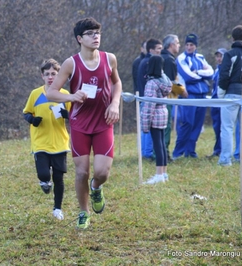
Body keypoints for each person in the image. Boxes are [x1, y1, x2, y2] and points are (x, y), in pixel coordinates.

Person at [46, 17, 122, 229]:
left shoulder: (110, 59)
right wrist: (71, 97)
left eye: (97, 32)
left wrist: (115, 104)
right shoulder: (72, 63)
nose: (95, 36)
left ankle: (96, 188)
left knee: (101, 173)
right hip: (80, 124)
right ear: (80, 38)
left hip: (103, 122)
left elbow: (117, 82)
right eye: (90, 33)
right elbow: (51, 92)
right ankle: (83, 212)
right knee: (81, 172)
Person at [22, 58, 71, 220]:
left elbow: (76, 117)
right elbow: (26, 112)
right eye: (47, 74)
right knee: (44, 174)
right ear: (42, 76)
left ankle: (57, 209)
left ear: (59, 76)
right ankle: (44, 182)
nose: (51, 77)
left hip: (59, 142)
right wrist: (32, 120)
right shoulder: (35, 94)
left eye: (54, 74)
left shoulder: (65, 95)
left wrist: (67, 115)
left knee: (59, 178)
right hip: (40, 142)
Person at [172, 33, 213, 160]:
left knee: (197, 124)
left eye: (192, 45)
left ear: (196, 46)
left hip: (202, 95)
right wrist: (202, 75)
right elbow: (188, 76)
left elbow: (211, 72)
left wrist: (199, 72)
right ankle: (178, 152)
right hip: (189, 95)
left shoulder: (200, 57)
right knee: (187, 123)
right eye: (187, 45)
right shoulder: (181, 58)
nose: (189, 47)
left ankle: (190, 151)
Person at [217, 25, 242, 166]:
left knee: (227, 127)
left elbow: (224, 75)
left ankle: (225, 160)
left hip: (231, 94)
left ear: (233, 38)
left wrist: (221, 92)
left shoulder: (230, 54)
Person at [141, 55, 172, 184]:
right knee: (162, 145)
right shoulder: (165, 80)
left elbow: (149, 106)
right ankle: (164, 172)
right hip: (163, 113)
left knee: (157, 145)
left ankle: (159, 174)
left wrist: (145, 124)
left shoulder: (151, 83)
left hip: (155, 116)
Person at [160, 34, 188, 162]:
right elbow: (170, 83)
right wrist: (182, 91)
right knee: (166, 128)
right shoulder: (169, 60)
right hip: (166, 99)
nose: (179, 45)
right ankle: (164, 155)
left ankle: (160, 153)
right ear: (171, 45)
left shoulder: (161, 57)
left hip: (159, 98)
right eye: (177, 43)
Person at [137, 38, 163, 161]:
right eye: (158, 49)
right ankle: (147, 153)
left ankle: (145, 152)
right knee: (147, 127)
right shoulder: (148, 62)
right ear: (151, 50)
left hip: (146, 99)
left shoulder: (145, 61)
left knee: (146, 126)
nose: (160, 51)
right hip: (148, 100)